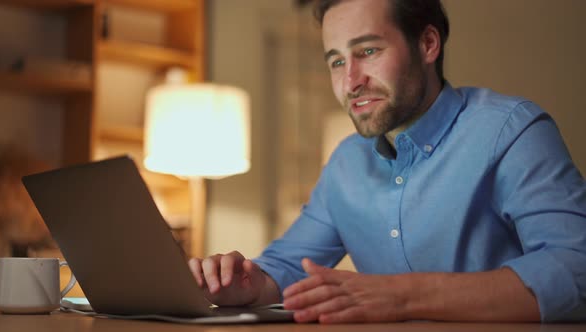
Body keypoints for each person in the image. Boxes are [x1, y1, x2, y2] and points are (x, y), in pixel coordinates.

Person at [189, 0, 586, 323]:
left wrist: (401, 295)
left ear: (428, 44)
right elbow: (287, 266)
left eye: (368, 51)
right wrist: (246, 283)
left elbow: (576, 269)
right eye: (337, 61)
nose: (350, 82)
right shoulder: (346, 164)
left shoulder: (512, 130)